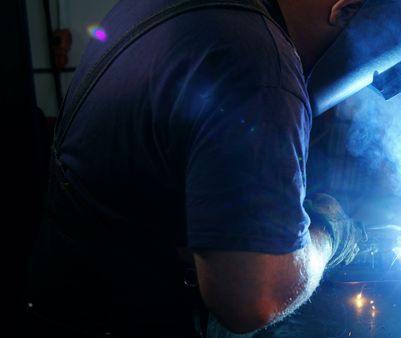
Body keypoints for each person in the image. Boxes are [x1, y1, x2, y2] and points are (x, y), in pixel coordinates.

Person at [25, 0, 364, 337]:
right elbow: (254, 299)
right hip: (116, 320)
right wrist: (330, 234)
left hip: (54, 303)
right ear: (344, 9)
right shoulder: (261, 63)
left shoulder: (188, 11)